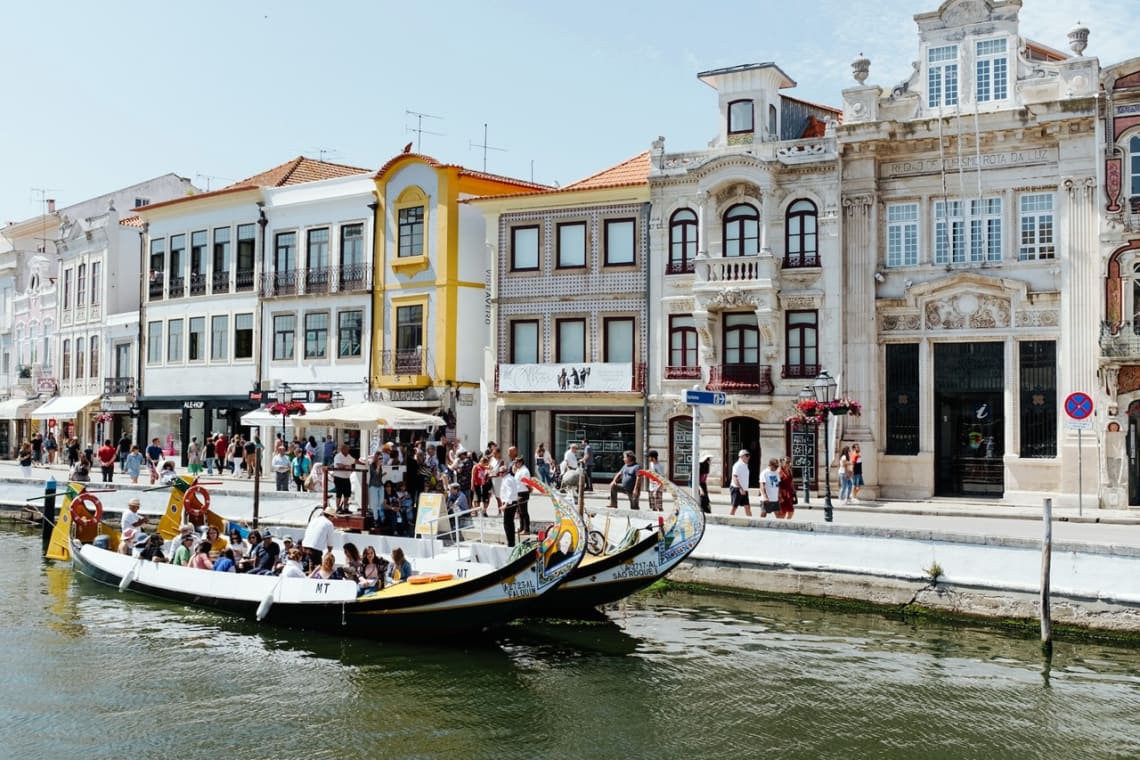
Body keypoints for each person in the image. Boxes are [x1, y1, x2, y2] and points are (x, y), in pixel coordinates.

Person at [332, 443, 363, 513]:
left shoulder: (348, 456)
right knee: (339, 494)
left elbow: (355, 461)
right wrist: (347, 466)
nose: (348, 451)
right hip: (338, 477)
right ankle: (338, 508)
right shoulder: (338, 456)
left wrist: (363, 464)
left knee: (347, 494)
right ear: (343, 450)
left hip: (346, 477)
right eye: (347, 449)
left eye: (348, 449)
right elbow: (338, 465)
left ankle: (345, 508)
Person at [499, 458, 520, 547]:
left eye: (501, 472)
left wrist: (505, 505)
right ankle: (511, 542)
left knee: (507, 524)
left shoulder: (507, 480)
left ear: (505, 472)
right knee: (509, 523)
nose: (500, 474)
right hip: (511, 502)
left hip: (509, 504)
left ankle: (510, 543)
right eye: (499, 473)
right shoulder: (510, 478)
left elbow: (510, 493)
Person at [512, 452, 532, 534]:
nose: (515, 464)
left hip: (523, 492)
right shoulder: (519, 470)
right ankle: (521, 527)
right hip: (518, 492)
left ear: (520, 463)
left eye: (516, 463)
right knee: (520, 511)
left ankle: (526, 529)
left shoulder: (524, 471)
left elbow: (526, 483)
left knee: (524, 511)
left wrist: (529, 490)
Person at [730, 449, 753, 517]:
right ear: (741, 456)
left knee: (747, 506)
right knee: (734, 507)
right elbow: (735, 477)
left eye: (748, 455)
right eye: (747, 455)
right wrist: (740, 488)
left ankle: (751, 521)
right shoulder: (737, 465)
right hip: (737, 489)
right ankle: (730, 520)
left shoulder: (745, 465)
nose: (748, 457)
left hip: (744, 489)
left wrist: (744, 489)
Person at [367, 451, 385, 524]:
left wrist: (383, 474)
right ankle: (376, 519)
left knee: (381, 501)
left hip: (380, 485)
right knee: (374, 503)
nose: (381, 459)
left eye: (382, 458)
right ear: (376, 458)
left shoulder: (380, 466)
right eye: (380, 458)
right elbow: (375, 473)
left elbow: (378, 475)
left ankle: (376, 515)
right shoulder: (372, 465)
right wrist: (378, 465)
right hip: (373, 486)